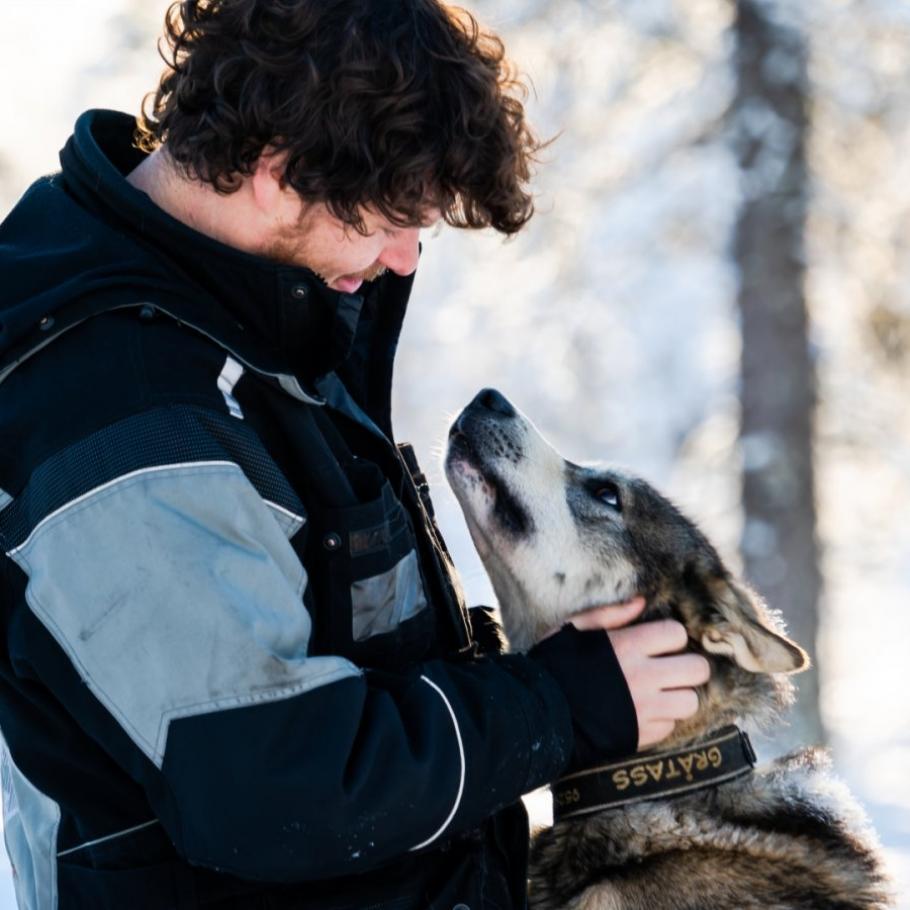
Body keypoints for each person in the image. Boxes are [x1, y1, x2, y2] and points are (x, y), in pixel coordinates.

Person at [0, 1, 710, 907]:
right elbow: (277, 782)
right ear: (277, 168)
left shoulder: (243, 313)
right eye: (394, 216)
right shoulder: (119, 413)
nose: (406, 257)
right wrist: (558, 708)